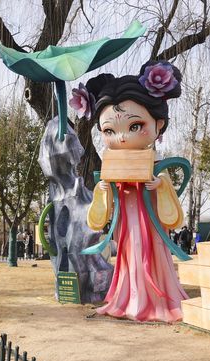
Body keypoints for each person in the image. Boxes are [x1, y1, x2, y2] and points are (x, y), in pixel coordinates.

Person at [83, 60, 189, 322]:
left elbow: (173, 212)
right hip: (128, 222)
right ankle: (128, 296)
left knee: (152, 253)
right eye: (109, 130)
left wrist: (160, 186)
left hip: (150, 221)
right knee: (129, 254)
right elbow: (102, 213)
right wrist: (104, 190)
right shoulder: (113, 165)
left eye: (134, 126)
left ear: (159, 124)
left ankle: (157, 297)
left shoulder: (155, 165)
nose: (121, 138)